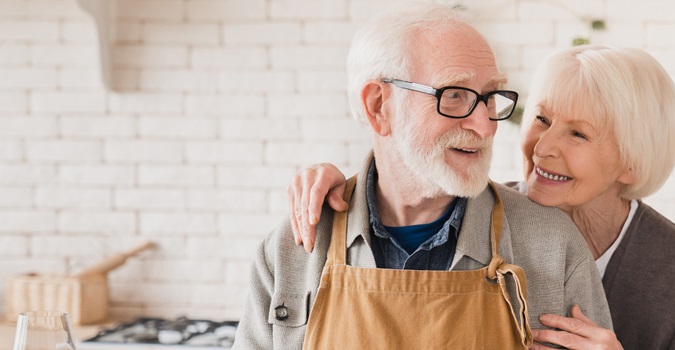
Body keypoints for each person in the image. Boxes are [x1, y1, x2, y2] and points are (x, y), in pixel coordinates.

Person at [288, 45, 675, 349]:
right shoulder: (473, 211)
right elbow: (400, 179)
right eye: (541, 118)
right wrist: (337, 184)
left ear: (631, 162)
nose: (543, 146)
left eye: (577, 133)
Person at [233, 3, 611, 349]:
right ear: (379, 106)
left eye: (490, 95)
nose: (485, 126)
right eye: (455, 95)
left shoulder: (553, 246)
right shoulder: (293, 250)